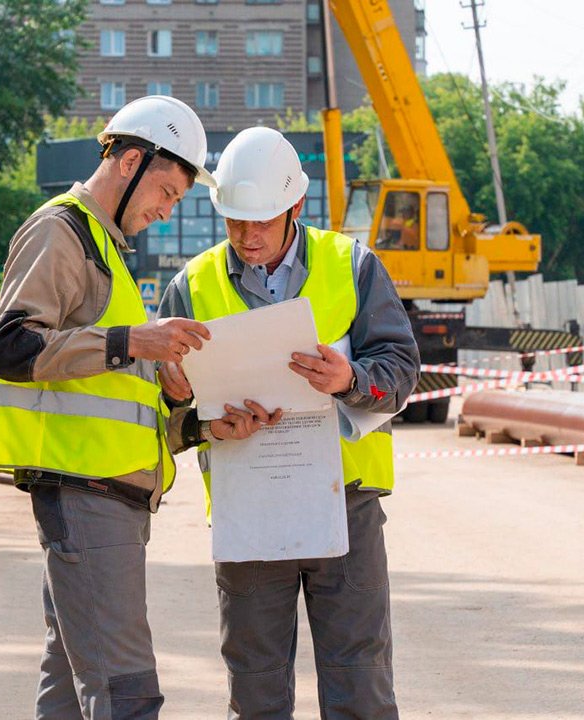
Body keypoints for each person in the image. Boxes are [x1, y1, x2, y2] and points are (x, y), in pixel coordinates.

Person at [158, 126, 420, 719]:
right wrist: (174, 393)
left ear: (296, 206)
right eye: (234, 222)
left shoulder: (351, 264)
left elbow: (401, 369)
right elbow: (164, 407)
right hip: (247, 505)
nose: (248, 237)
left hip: (344, 499)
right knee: (255, 683)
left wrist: (348, 380)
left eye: (262, 221)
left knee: (360, 675)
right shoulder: (189, 286)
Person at [0, 95, 216, 719]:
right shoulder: (61, 231)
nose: (165, 212)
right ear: (130, 160)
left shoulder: (106, 249)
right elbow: (11, 346)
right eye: (164, 191)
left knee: (69, 673)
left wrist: (174, 397)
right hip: (83, 492)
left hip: (108, 494)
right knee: (125, 687)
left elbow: (103, 385)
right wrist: (132, 340)